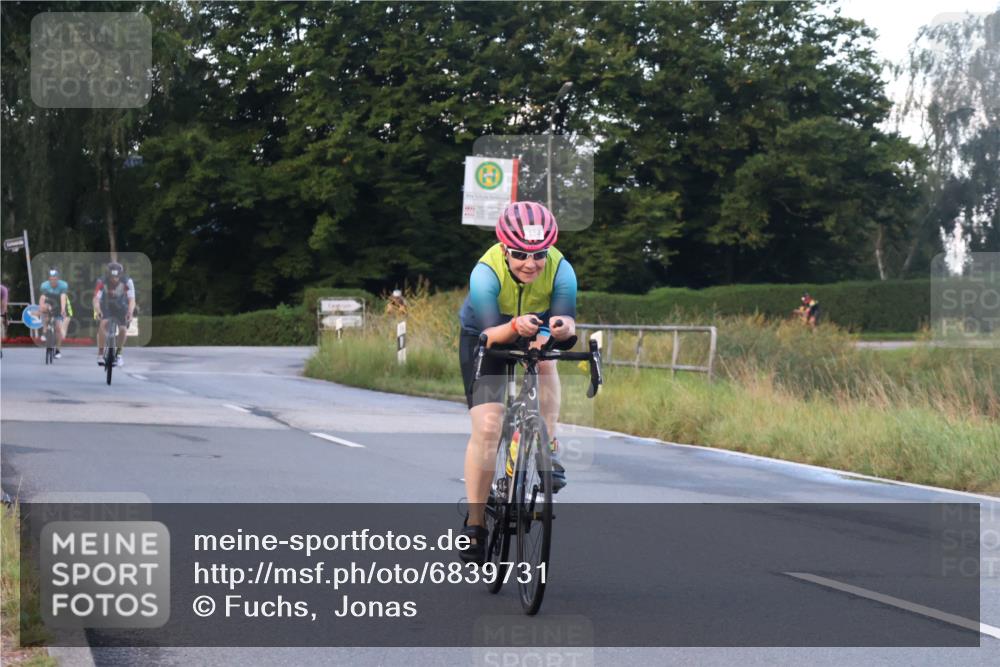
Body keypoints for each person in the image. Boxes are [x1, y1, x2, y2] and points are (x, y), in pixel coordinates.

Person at [456, 201, 578, 563]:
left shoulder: (562, 269)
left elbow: (567, 322)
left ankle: (547, 445)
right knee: (489, 425)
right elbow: (492, 333)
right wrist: (512, 327)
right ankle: (476, 524)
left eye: (539, 254)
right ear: (505, 250)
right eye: (521, 254)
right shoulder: (485, 272)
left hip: (534, 328)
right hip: (486, 333)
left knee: (546, 363)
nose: (531, 263)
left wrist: (560, 329)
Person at [93, 262, 135, 367]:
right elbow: (96, 299)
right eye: (112, 277)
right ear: (108, 275)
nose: (114, 279)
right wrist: (97, 310)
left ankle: (119, 353)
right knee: (103, 323)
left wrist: (130, 312)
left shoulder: (127, 281)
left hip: (121, 305)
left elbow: (132, 300)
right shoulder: (101, 281)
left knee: (123, 329)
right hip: (106, 304)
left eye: (117, 277)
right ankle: (101, 353)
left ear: (120, 275)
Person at [38, 268, 69, 358]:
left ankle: (58, 350)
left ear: (58, 279)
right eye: (51, 279)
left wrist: (63, 309)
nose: (53, 281)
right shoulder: (44, 286)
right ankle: (44, 331)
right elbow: (42, 298)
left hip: (59, 304)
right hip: (49, 302)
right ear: (49, 279)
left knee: (58, 329)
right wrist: (41, 307)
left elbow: (63, 297)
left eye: (55, 279)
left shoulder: (63, 285)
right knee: (45, 311)